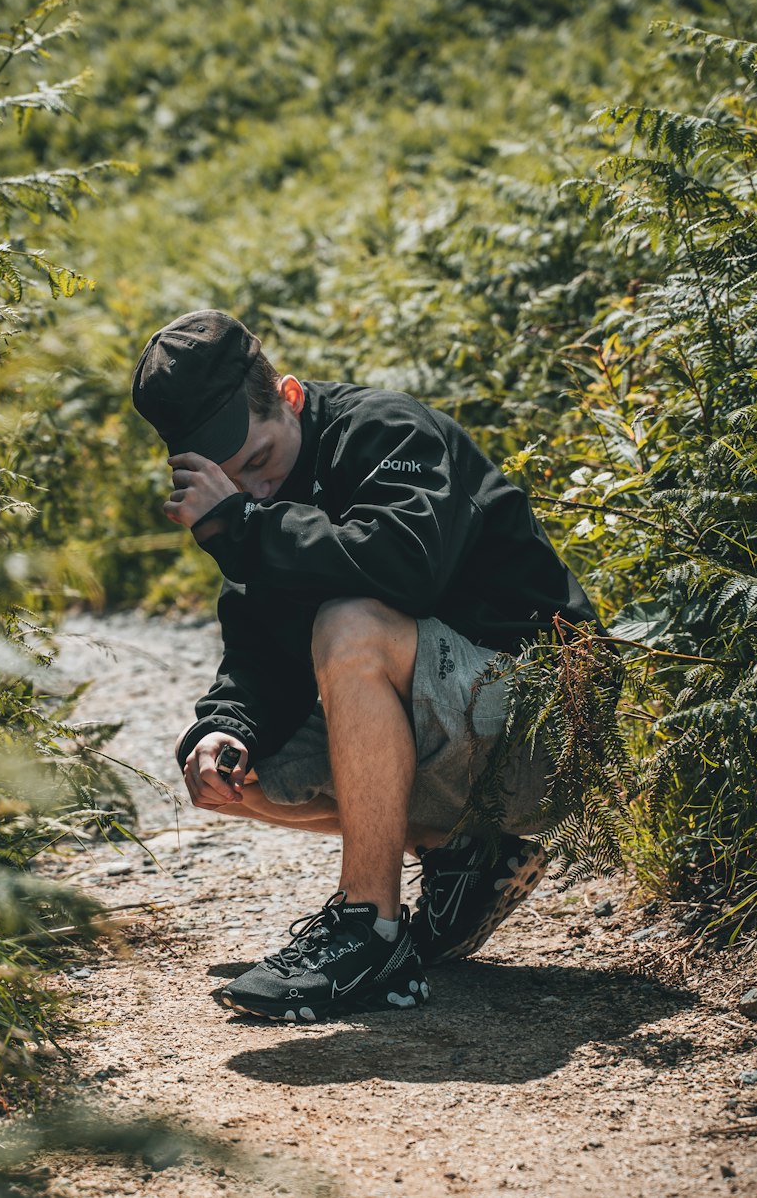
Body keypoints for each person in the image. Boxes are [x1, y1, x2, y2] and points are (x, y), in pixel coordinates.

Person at [131, 310, 599, 1023]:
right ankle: (463, 852)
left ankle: (370, 932)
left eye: (259, 462)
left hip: (545, 724)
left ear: (288, 396)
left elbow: (406, 570)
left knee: (350, 622)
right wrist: (223, 728)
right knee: (239, 773)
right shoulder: (254, 516)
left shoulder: (384, 431)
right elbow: (260, 653)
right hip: (453, 740)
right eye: (231, 485)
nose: (254, 493)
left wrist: (249, 531)